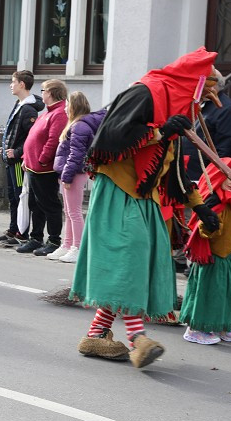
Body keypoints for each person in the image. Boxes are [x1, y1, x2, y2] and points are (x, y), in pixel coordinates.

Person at [70, 47, 218, 369]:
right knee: (131, 262)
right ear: (194, 86)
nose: (202, 106)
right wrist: (160, 132)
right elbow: (110, 140)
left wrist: (201, 208)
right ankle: (138, 339)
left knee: (138, 266)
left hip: (145, 199)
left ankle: (96, 334)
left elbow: (175, 173)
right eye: (203, 97)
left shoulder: (175, 112)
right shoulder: (145, 93)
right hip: (118, 192)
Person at [180, 158, 231, 344]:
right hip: (211, 257)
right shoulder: (214, 201)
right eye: (229, 177)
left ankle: (222, 324)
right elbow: (201, 229)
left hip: (227, 256)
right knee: (208, 293)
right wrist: (209, 225)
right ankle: (197, 328)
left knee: (226, 292)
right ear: (218, 177)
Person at [17, 79, 69, 256]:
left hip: (43, 168)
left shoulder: (60, 113)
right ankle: (36, 237)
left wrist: (41, 159)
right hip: (33, 166)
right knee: (35, 204)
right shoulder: (48, 112)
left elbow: (54, 140)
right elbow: (33, 136)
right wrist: (26, 157)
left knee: (48, 204)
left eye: (43, 90)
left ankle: (54, 239)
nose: (42, 93)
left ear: (52, 92)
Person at [53, 93, 104, 263]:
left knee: (74, 212)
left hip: (74, 174)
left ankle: (77, 247)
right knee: (68, 211)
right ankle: (67, 245)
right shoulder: (75, 125)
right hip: (70, 173)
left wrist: (67, 176)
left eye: (67, 105)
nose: (65, 108)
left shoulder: (79, 126)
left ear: (74, 106)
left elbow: (76, 154)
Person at [0, 71, 41, 247]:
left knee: (21, 196)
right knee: (13, 197)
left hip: (18, 161)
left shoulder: (28, 109)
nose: (10, 85)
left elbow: (31, 137)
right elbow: (13, 132)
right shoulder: (19, 104)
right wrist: (6, 146)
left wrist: (16, 152)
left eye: (13, 81)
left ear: (22, 84)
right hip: (11, 160)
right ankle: (13, 229)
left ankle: (22, 233)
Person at [182, 70, 231, 182]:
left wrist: (212, 176)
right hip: (188, 171)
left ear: (212, 84)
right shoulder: (199, 103)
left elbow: (225, 148)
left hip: (203, 176)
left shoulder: (226, 109)